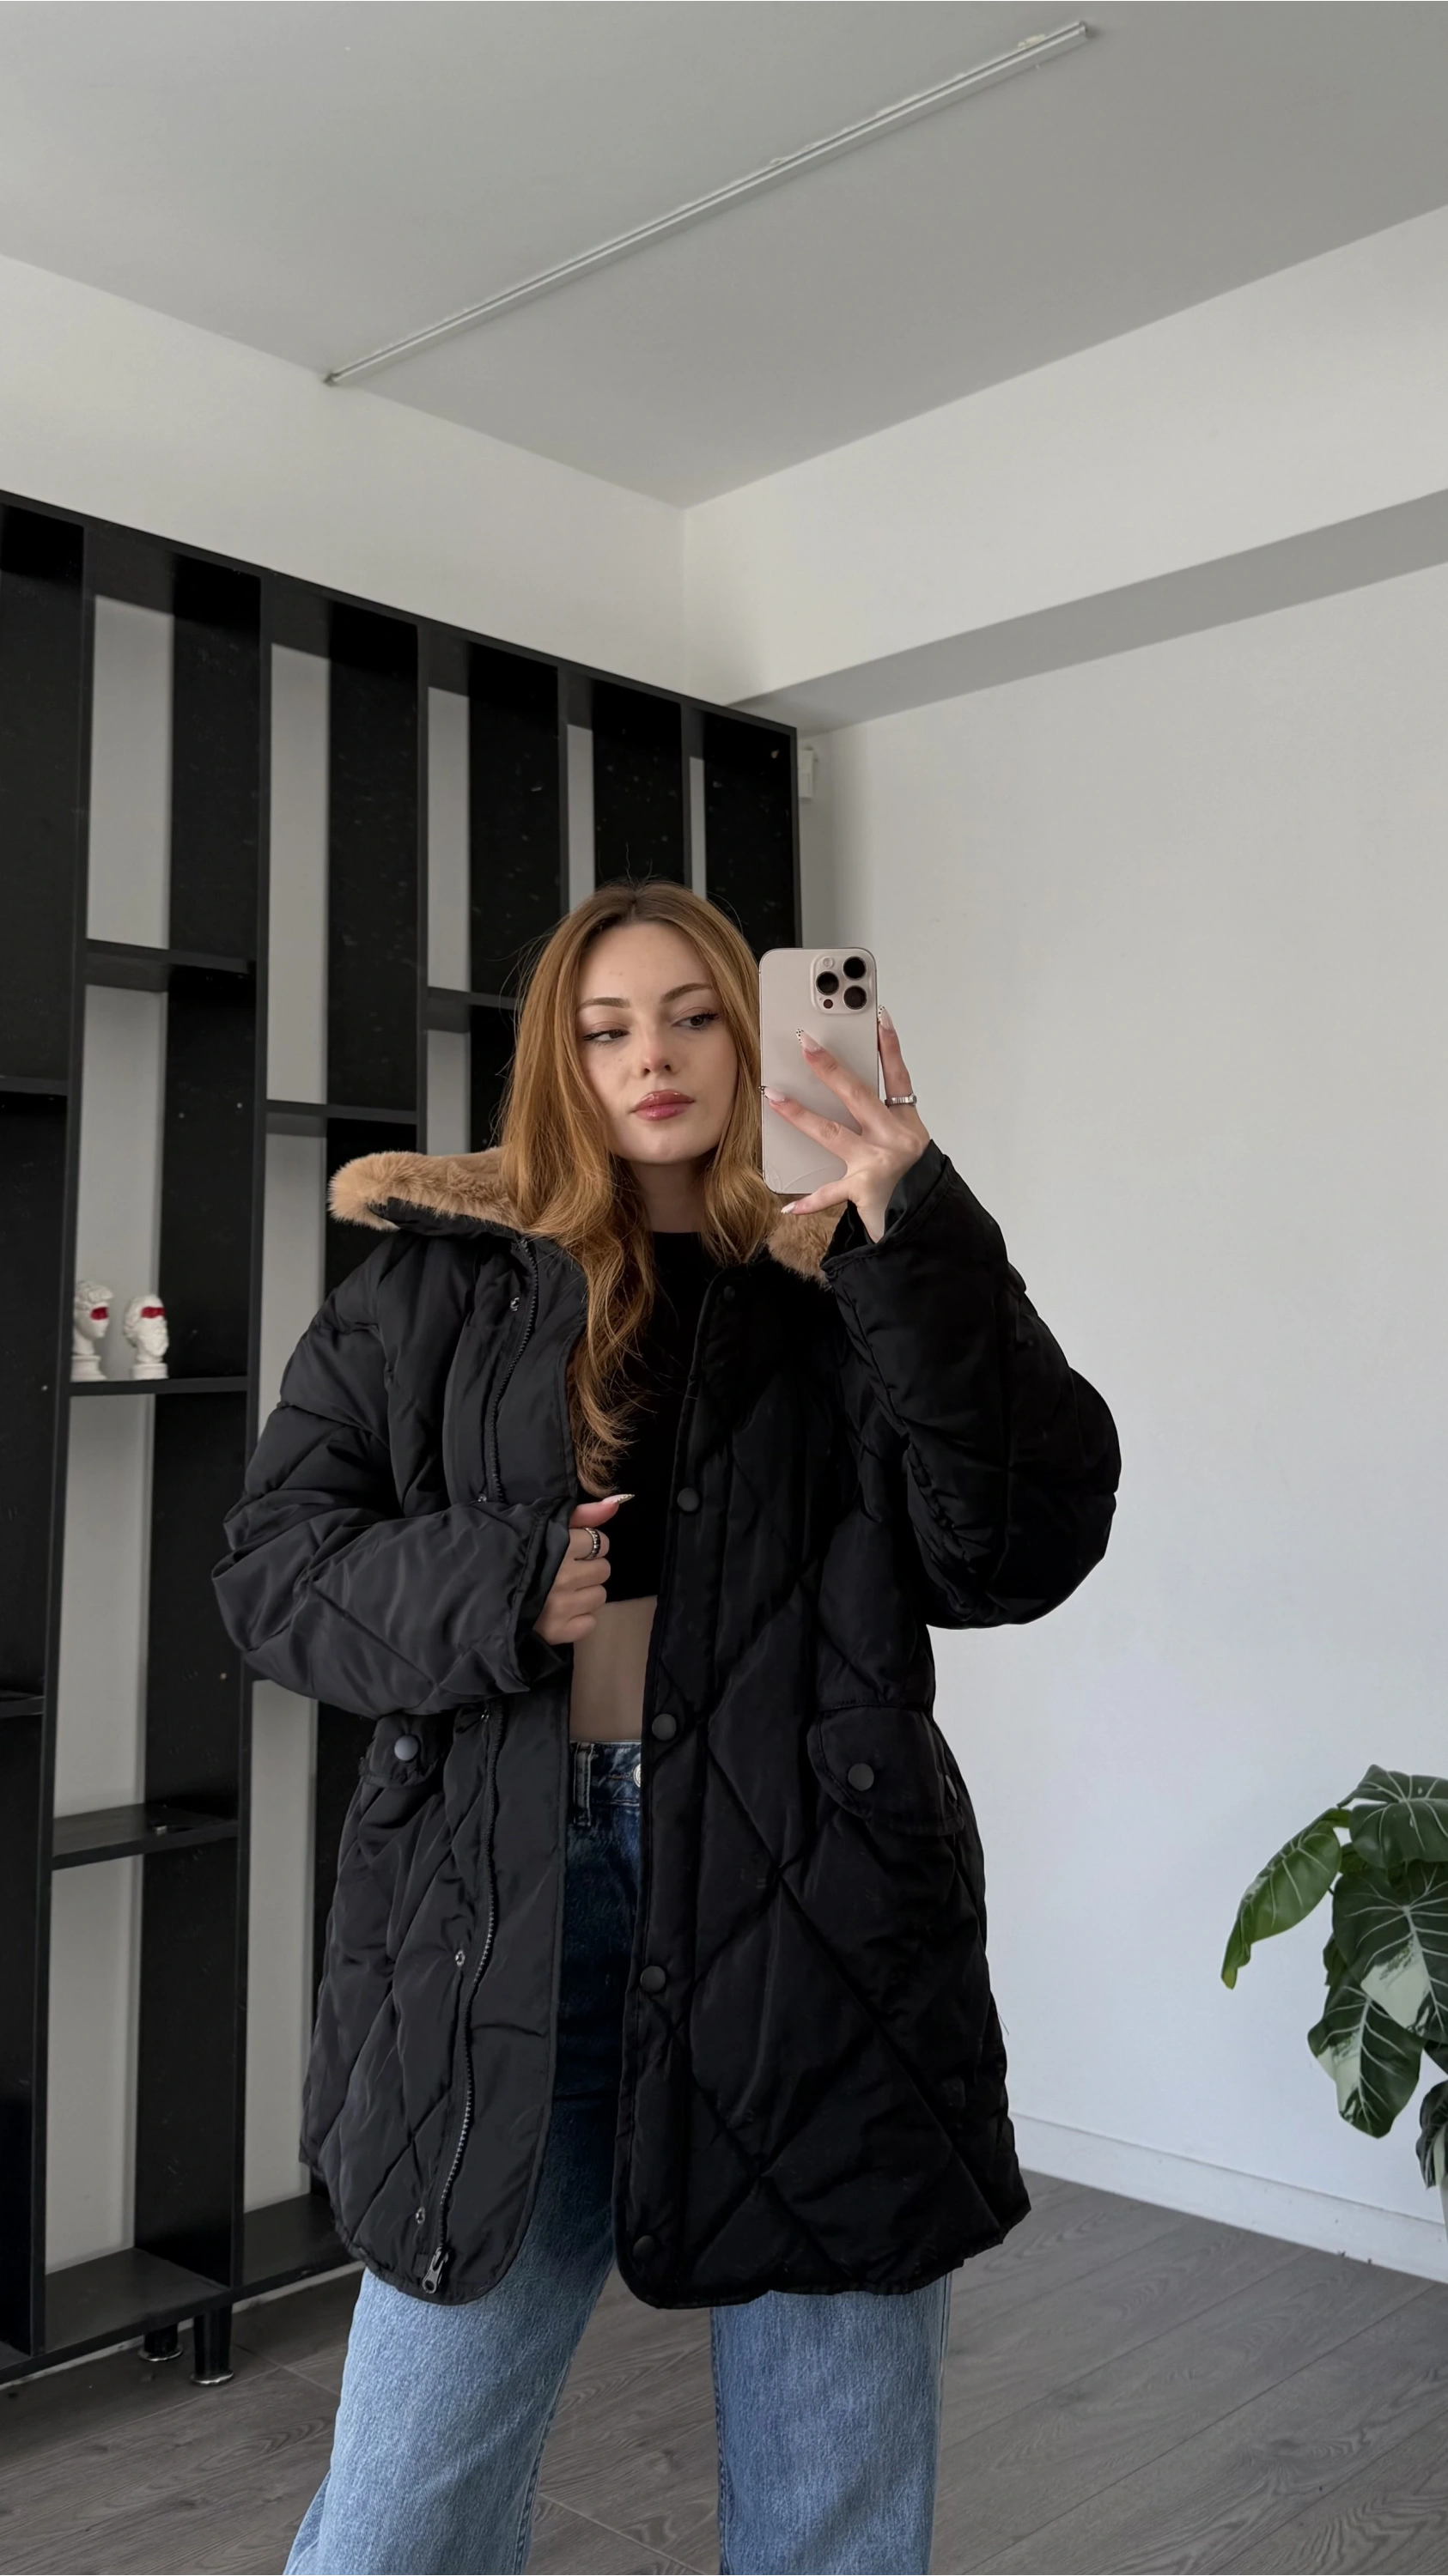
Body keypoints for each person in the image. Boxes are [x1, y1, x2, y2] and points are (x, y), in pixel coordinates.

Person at [214, 878, 1120, 2576]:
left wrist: (918, 1226)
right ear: (555, 1063)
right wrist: (500, 1585)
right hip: (502, 1903)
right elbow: (272, 1576)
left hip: (817, 1902)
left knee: (833, 2500)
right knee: (402, 2507)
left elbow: (1021, 1546)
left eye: (697, 1016)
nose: (655, 1057)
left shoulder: (853, 1277)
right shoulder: (429, 1292)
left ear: (754, 1037)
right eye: (606, 1028)